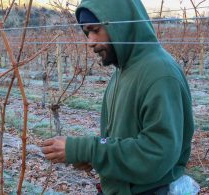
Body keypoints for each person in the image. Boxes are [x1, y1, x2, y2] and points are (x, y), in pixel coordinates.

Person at [41, 0, 195, 194]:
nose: (90, 42)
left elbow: (155, 154)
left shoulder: (159, 74)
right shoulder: (123, 71)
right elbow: (123, 138)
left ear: (120, 25)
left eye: (95, 30)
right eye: (87, 32)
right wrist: (96, 158)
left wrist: (85, 149)